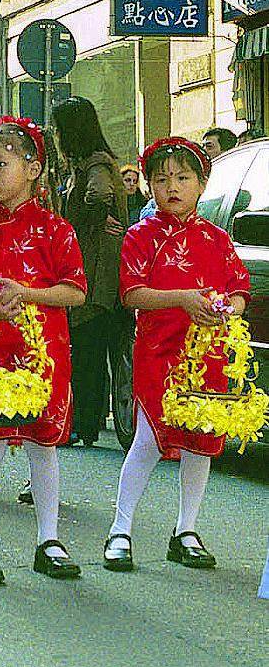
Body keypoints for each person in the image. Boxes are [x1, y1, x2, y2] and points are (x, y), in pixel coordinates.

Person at [0, 115, 87, 586]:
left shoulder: (57, 231)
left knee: (42, 447)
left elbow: (76, 292)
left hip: (44, 352)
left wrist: (27, 294)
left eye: (0, 164)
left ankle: (49, 538)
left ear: (33, 168)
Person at [103, 137, 250, 572]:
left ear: (202, 184)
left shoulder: (217, 239)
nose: (173, 187)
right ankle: (120, 529)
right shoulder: (139, 236)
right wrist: (184, 298)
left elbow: (239, 291)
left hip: (209, 355)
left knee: (200, 441)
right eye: (162, 179)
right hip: (159, 352)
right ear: (149, 186)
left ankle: (185, 529)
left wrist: (225, 308)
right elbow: (132, 294)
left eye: (183, 178)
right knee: (148, 440)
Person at [53, 97, 128, 447]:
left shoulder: (96, 164)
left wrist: (84, 221)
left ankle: (82, 423)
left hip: (96, 269)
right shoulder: (89, 163)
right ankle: (87, 421)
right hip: (97, 265)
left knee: (87, 348)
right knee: (91, 348)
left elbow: (99, 197)